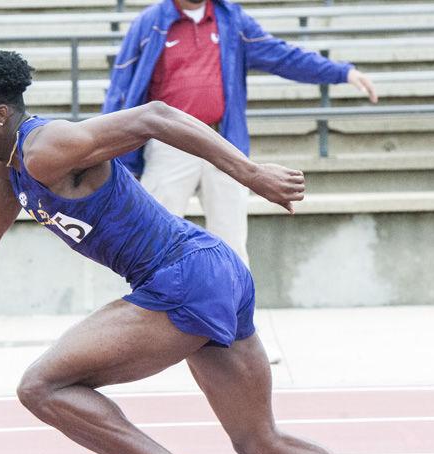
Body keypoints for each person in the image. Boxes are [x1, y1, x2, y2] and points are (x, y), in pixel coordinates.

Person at [0, 47, 391, 454]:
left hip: (181, 277)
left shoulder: (46, 147)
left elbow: (155, 115)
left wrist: (251, 174)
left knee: (41, 386)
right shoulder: (11, 174)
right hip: (212, 270)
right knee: (260, 443)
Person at [102, 0, 378, 265]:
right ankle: (154, 311)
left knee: (231, 243)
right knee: (154, 239)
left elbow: (282, 56)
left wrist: (343, 73)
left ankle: (235, 313)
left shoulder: (231, 20)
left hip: (223, 142)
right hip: (169, 145)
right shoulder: (150, 23)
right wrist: (110, 155)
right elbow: (121, 89)